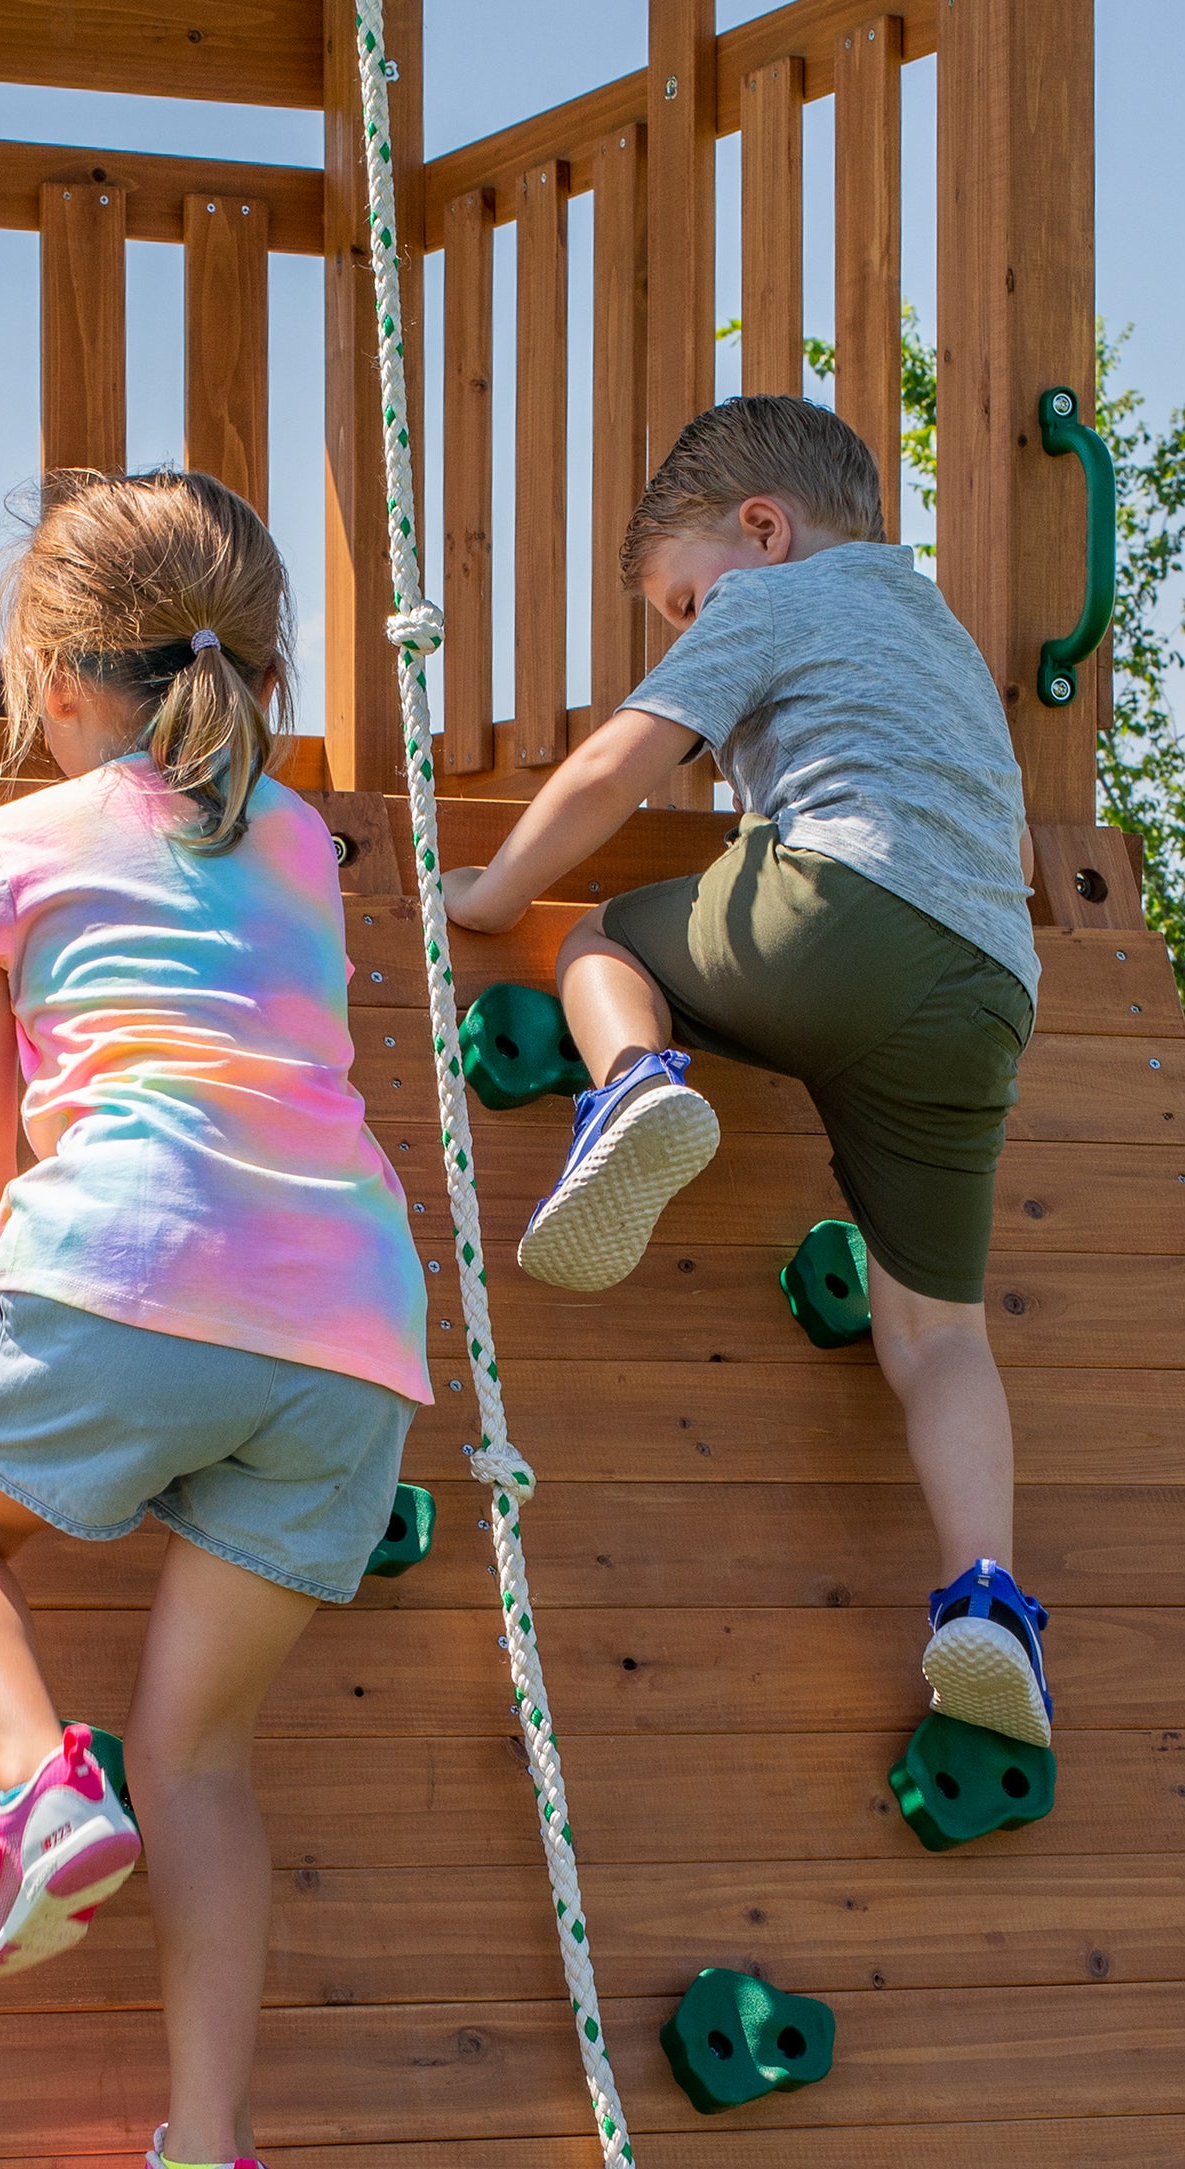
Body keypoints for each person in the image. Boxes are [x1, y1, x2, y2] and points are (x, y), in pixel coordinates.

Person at [0, 468, 431, 2169]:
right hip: (353, 1332)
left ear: (46, 672)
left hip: (133, 1262)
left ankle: (37, 1788)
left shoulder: (15, 845)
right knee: (203, 1758)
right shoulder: (302, 846)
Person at [440, 394, 1056, 1749]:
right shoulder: (937, 632)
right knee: (939, 1332)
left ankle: (638, 1087)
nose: (688, 627)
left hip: (837, 909)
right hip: (987, 989)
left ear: (761, 533)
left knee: (606, 935)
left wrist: (489, 898)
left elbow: (620, 767)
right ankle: (988, 1601)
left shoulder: (780, 597)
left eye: (679, 602)